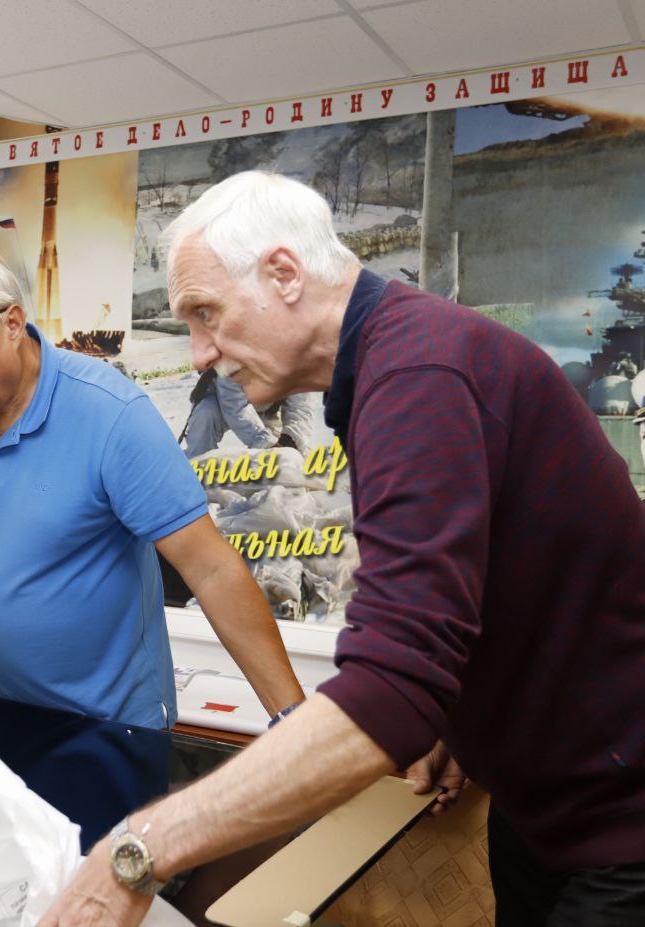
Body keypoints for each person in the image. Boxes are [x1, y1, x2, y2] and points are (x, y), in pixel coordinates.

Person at [42, 171, 645, 926]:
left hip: (620, 825)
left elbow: (392, 689)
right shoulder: (391, 363)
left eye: (206, 313)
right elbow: (476, 589)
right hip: (542, 807)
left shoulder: (419, 373)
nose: (198, 353)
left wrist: (138, 849)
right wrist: (457, 714)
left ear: (284, 274)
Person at [0, 245, 304, 730]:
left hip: (111, 728)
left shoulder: (112, 414)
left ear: (13, 324)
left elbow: (213, 569)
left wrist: (293, 722)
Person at [180, 367, 315, 457]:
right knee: (206, 412)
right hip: (220, 401)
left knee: (281, 458)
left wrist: (290, 441)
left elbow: (300, 409)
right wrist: (266, 442)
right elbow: (235, 407)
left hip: (267, 410)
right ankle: (198, 467)